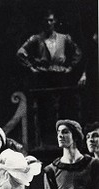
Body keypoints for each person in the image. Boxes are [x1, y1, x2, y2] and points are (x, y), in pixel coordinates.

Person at [16, 10, 82, 146]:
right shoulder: (36, 38)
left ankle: (69, 141)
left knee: (64, 107)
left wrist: (70, 67)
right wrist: (31, 67)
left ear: (55, 21)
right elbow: (21, 52)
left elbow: (77, 52)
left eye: (51, 20)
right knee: (44, 109)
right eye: (46, 20)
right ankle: (45, 141)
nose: (49, 23)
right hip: (44, 77)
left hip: (61, 76)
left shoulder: (64, 38)